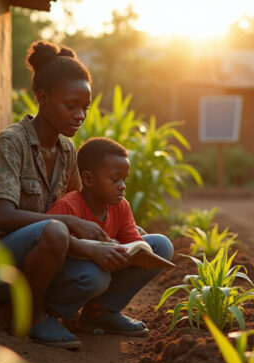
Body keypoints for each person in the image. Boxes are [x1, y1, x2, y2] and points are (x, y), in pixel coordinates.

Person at [0, 41, 115, 349]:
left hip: (40, 255)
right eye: (71, 106)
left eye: (85, 107)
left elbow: (78, 209)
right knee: (58, 229)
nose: (80, 115)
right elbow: (2, 216)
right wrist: (70, 225)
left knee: (96, 278)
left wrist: (119, 229)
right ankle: (32, 317)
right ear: (42, 99)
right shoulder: (11, 143)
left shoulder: (67, 151)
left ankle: (76, 313)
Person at [46, 137, 174, 345]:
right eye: (115, 180)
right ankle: (52, 313)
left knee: (161, 246)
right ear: (88, 179)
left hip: (101, 270)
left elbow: (134, 241)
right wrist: (93, 252)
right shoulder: (68, 207)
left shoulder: (120, 206)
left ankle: (100, 311)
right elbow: (51, 249)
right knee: (97, 278)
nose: (122, 186)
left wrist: (135, 253)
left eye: (125, 179)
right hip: (71, 276)